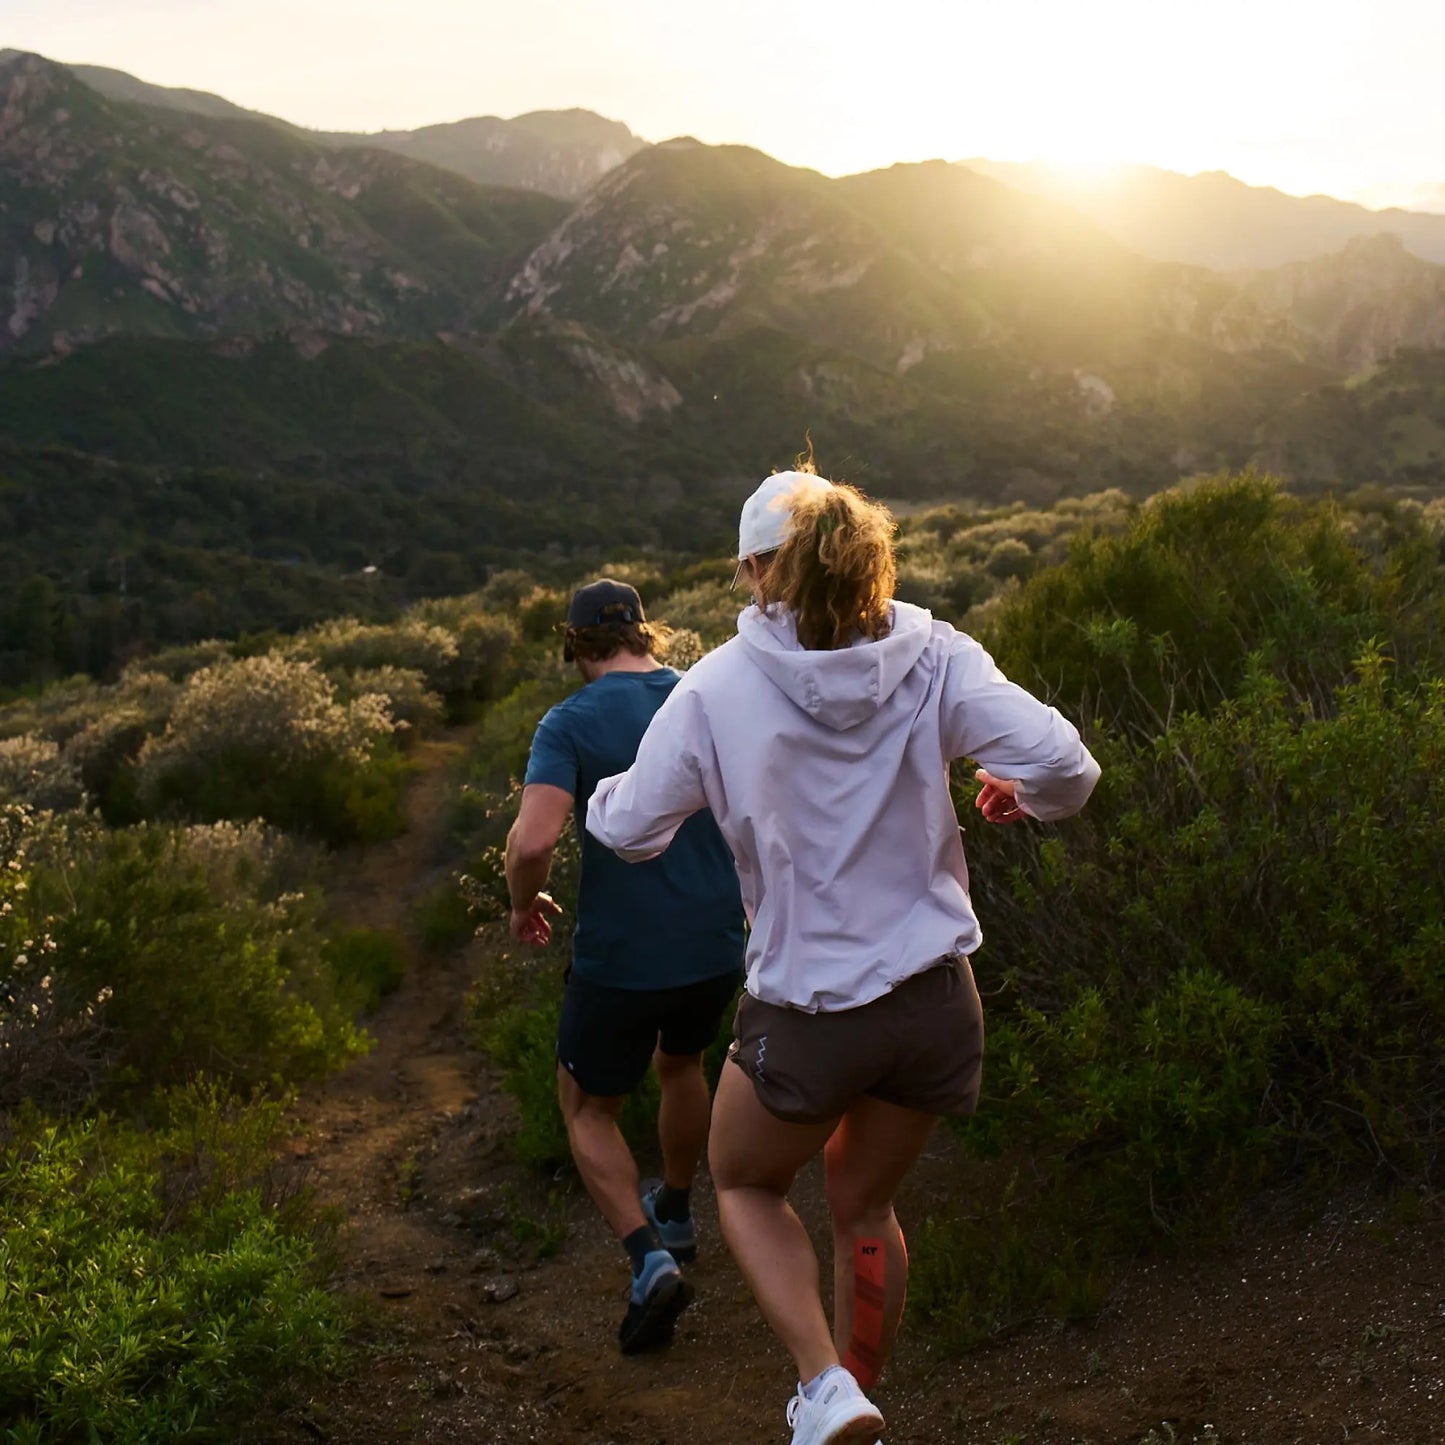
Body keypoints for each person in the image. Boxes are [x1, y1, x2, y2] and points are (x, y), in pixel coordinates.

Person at [586, 469, 1100, 1443]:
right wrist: (1016, 793)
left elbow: (629, 825)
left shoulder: (714, 690)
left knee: (741, 1180)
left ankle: (823, 1386)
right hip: (935, 1002)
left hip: (810, 1011)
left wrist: (612, 802)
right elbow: (1064, 767)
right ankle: (853, 1397)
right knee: (864, 1202)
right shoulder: (934, 654)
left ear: (749, 569)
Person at [505, 578, 745, 1355]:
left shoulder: (568, 721)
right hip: (715, 940)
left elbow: (532, 842)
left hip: (620, 956)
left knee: (585, 1106)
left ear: (573, 643)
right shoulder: (707, 693)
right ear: (645, 631)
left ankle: (648, 1260)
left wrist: (522, 902)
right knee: (682, 1065)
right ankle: (675, 1207)